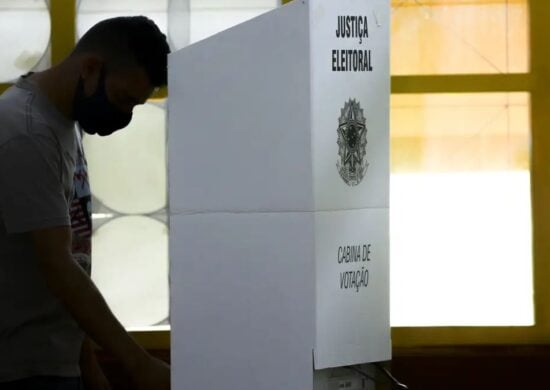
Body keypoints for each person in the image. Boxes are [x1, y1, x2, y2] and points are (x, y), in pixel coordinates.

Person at [0, 16, 171, 390]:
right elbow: (57, 267)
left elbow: (69, 268)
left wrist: (89, 369)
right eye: (124, 99)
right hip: (22, 372)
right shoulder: (24, 133)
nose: (124, 116)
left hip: (55, 363)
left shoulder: (63, 125)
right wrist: (138, 364)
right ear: (91, 68)